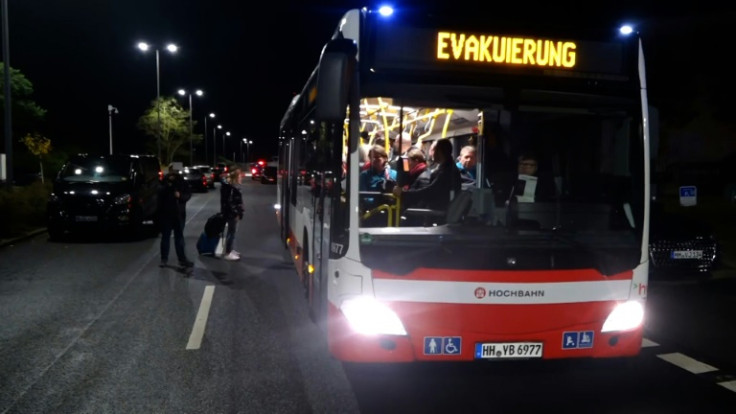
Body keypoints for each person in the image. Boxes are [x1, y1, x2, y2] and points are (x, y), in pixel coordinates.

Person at [393, 139, 461, 211]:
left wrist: (404, 194)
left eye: (434, 150)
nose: (432, 153)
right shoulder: (447, 167)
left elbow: (429, 192)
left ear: (440, 152)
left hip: (437, 212)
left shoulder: (446, 171)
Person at [158, 164, 193, 268]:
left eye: (175, 171)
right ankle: (164, 259)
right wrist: (168, 187)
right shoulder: (164, 181)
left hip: (179, 214)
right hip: (166, 213)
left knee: (179, 237)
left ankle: (182, 259)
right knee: (165, 237)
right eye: (172, 171)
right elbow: (159, 193)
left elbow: (187, 195)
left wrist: (180, 196)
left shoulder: (182, 182)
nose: (173, 173)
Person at [359, 144, 397, 210]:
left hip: (391, 210)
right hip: (372, 211)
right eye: (372, 157)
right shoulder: (364, 175)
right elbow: (363, 196)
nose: (374, 160)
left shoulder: (394, 174)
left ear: (385, 158)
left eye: (377, 157)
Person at [220, 167, 244, 261]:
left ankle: (230, 250)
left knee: (232, 232)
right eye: (239, 176)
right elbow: (230, 202)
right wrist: (236, 213)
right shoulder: (230, 187)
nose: (241, 178)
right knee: (231, 232)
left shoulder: (230, 186)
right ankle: (228, 252)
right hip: (231, 214)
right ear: (235, 177)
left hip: (231, 213)